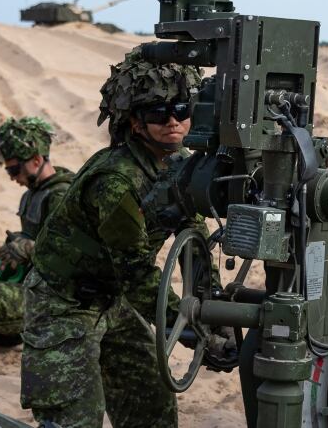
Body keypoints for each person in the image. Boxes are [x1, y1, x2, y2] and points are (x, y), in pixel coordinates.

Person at [19, 46, 207, 428]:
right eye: (158, 112)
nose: (173, 121)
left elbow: (196, 240)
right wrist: (186, 323)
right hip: (63, 305)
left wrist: (211, 310)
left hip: (114, 301)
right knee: (77, 419)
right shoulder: (116, 181)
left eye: (181, 110)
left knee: (152, 407)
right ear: (135, 123)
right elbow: (136, 272)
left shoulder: (184, 167)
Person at [0, 116, 74, 346]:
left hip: (57, 297)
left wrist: (26, 248)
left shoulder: (61, 195)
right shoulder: (32, 194)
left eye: (14, 170)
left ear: (37, 159)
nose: (13, 178)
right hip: (31, 282)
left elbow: (70, 255)